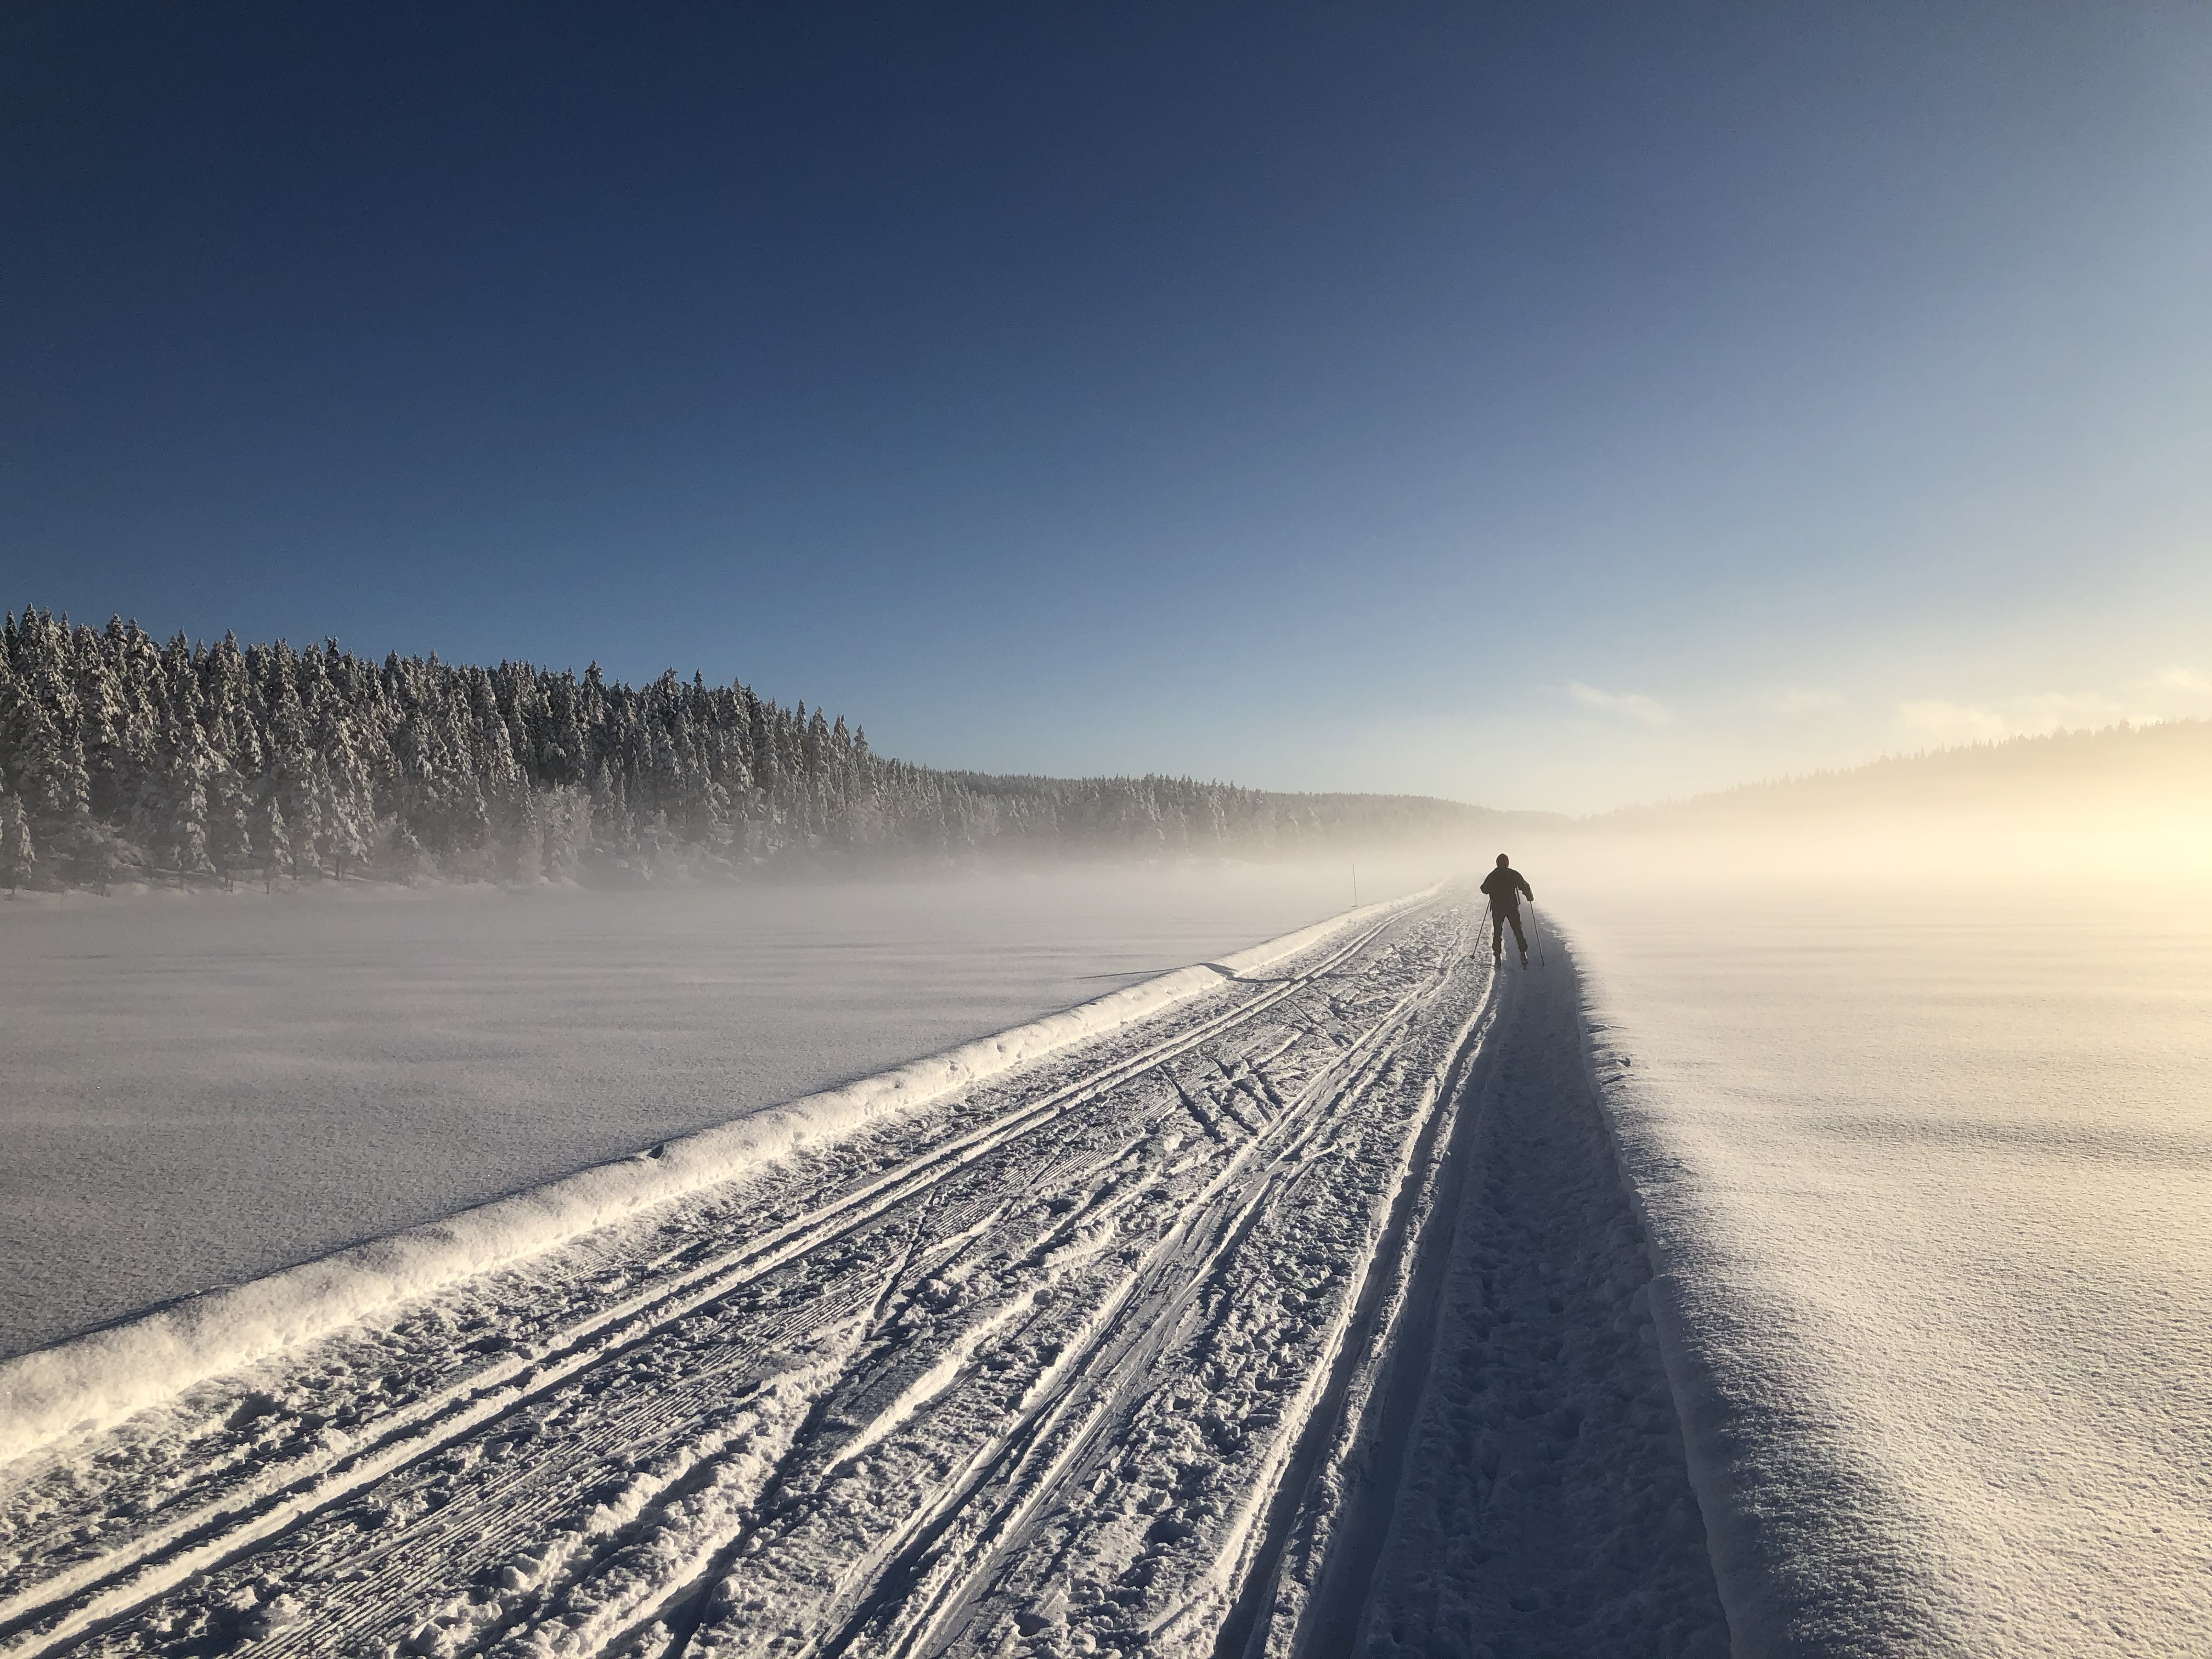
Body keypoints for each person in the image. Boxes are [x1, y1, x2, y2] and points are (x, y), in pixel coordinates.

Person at [1479, 853, 1534, 966]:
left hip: (1497, 907)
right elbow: (1524, 885)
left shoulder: (1493, 875)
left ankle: (1497, 957)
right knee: (1518, 930)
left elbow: (1484, 889)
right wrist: (1529, 896)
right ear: (1507, 863)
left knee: (1498, 932)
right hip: (1512, 907)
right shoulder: (1513, 874)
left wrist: (1492, 889)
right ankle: (1523, 953)